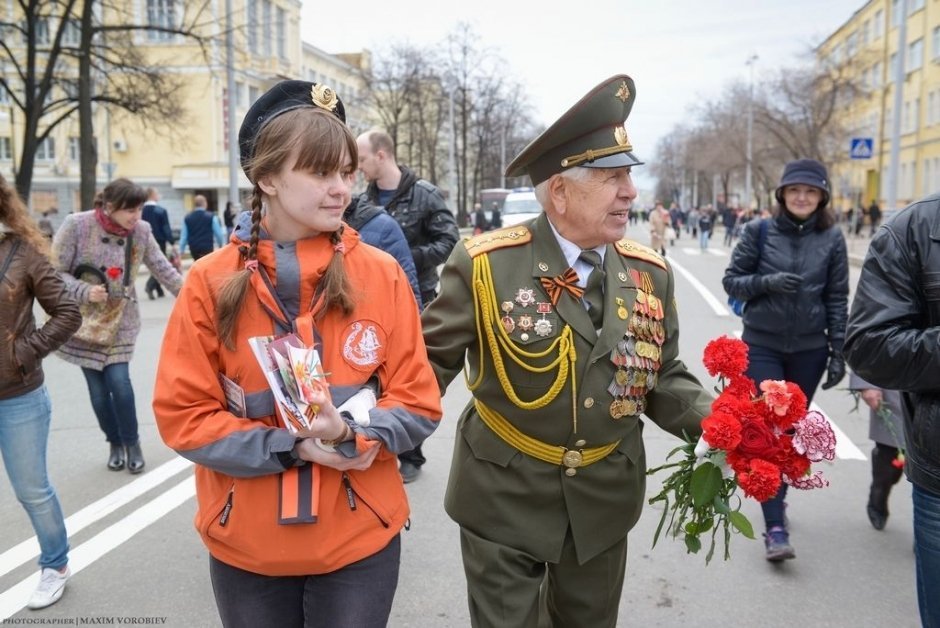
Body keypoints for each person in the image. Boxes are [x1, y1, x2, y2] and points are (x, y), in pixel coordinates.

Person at [421, 74, 713, 628]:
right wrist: (370, 429)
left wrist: (724, 425)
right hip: (502, 494)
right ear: (560, 191)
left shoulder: (649, 273)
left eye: (629, 177)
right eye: (613, 177)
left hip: (602, 500)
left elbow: (662, 376)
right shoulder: (484, 264)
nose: (630, 192)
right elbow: (426, 365)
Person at [153, 80, 442, 628]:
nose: (340, 190)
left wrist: (354, 436)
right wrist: (295, 447)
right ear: (266, 178)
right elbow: (184, 416)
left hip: (359, 539)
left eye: (346, 173)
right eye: (320, 173)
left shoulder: (380, 273)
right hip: (249, 546)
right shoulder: (209, 282)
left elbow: (419, 401)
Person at [723, 158, 848, 562]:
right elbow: (732, 280)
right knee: (765, 431)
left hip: (810, 349)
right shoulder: (758, 232)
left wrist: (838, 351)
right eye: (794, 190)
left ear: (822, 197)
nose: (801, 197)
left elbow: (836, 298)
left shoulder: (832, 239)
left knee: (790, 433)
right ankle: (775, 527)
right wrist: (767, 283)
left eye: (810, 191)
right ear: (781, 194)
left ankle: (777, 499)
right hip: (763, 345)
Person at [844, 192, 940, 628]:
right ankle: (879, 495)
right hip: (937, 466)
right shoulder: (915, 230)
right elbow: (869, 346)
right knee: (887, 457)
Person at [53, 178, 183, 474]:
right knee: (99, 394)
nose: (135, 216)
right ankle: (114, 442)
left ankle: (132, 443)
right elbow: (54, 271)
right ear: (109, 206)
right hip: (84, 321)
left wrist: (193, 295)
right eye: (129, 210)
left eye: (138, 209)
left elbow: (162, 268)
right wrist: (84, 291)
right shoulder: (77, 225)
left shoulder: (141, 231)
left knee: (120, 385)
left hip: (122, 319)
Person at [356, 128, 459, 483]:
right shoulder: (364, 198)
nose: (358, 167)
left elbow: (449, 240)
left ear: (381, 155)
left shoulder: (424, 195)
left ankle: (412, 455)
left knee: (411, 376)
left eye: (363, 159)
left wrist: (406, 258)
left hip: (420, 297)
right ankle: (376, 441)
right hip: (373, 300)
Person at [0, 174, 81, 610]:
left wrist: (22, 353)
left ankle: (55, 565)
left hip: (18, 396)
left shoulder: (22, 251)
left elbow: (68, 312)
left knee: (31, 490)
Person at [848, 374, 906, 530]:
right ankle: (879, 490)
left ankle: (928, 537)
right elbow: (866, 349)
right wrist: (867, 382)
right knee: (889, 461)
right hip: (898, 386)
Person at [342, 195, 422, 307]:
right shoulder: (314, 228)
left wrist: (418, 255)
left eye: (345, 176)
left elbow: (407, 290)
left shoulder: (383, 226)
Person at [142, 187, 176, 300]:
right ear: (152, 195)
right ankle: (150, 286)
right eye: (157, 193)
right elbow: (166, 228)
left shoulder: (141, 210)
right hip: (159, 240)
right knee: (159, 265)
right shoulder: (160, 210)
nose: (159, 195)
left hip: (142, 240)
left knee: (153, 265)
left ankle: (159, 290)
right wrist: (172, 241)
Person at [178, 194, 226, 261]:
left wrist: (181, 250)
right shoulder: (211, 217)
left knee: (197, 264)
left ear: (195, 204)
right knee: (207, 266)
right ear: (205, 203)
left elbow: (184, 236)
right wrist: (221, 245)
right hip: (207, 248)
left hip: (194, 249)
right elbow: (219, 234)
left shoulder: (187, 218)